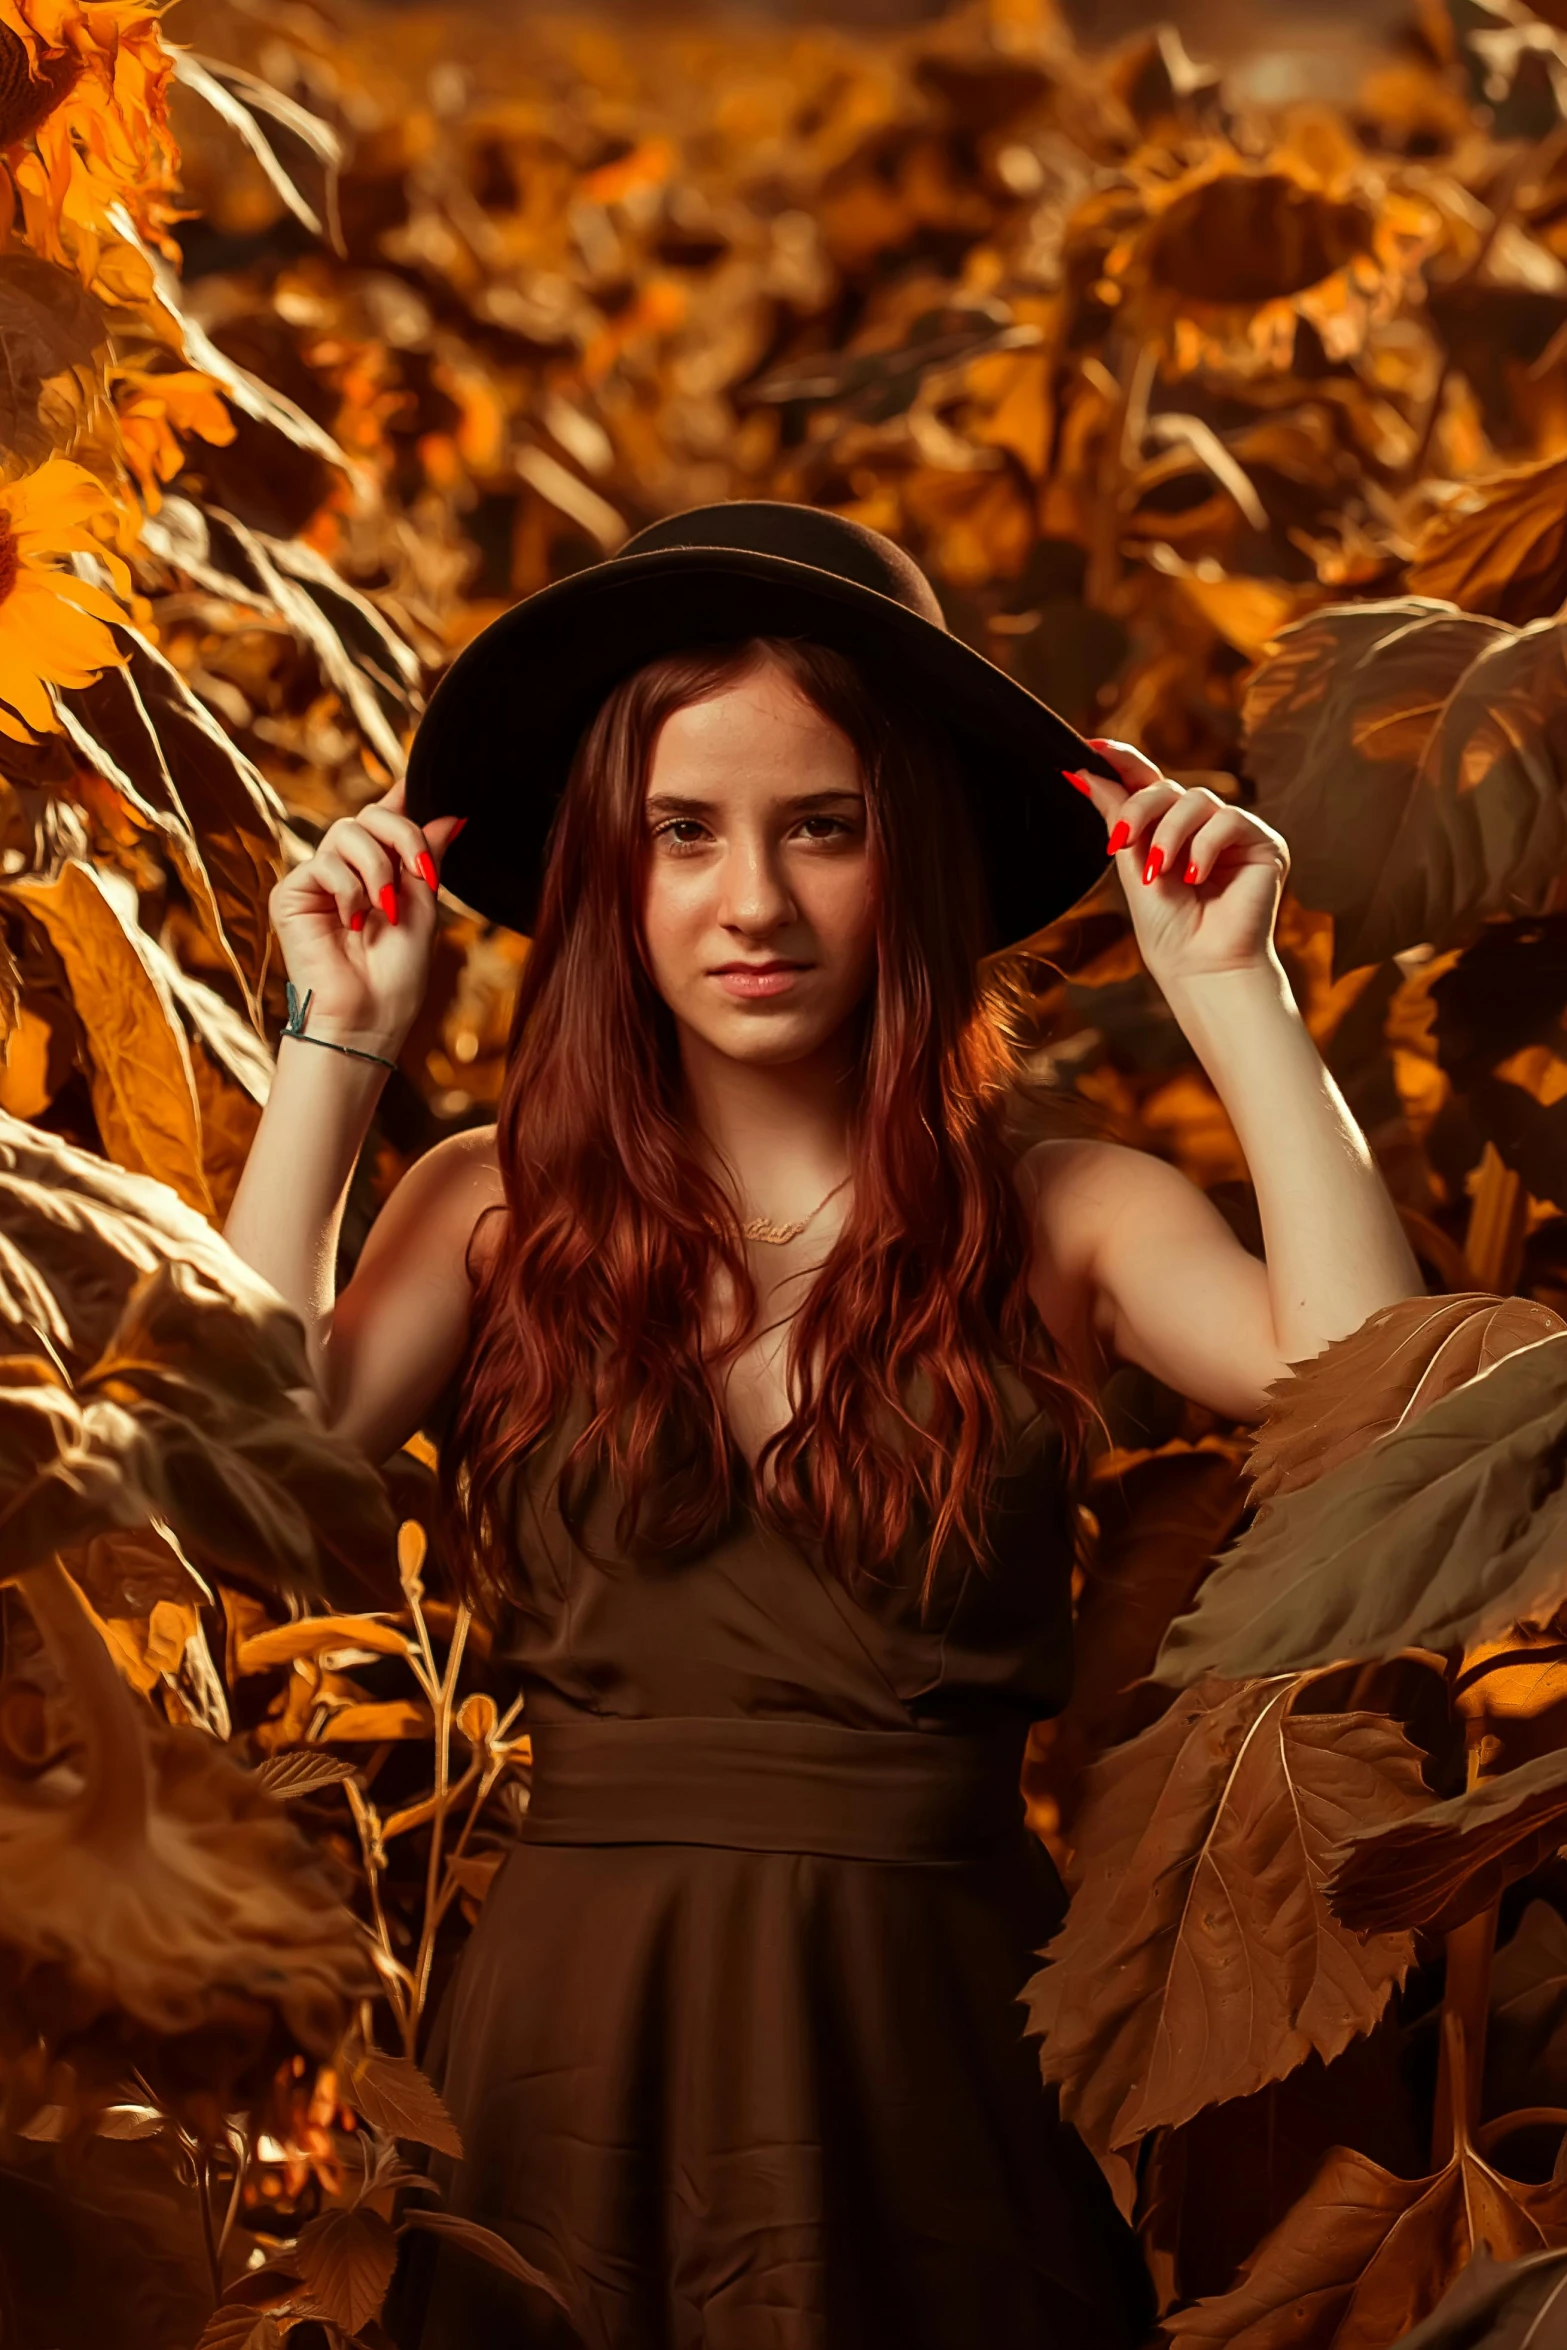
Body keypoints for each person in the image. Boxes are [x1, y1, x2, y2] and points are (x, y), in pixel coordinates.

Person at [222, 501, 1424, 2348]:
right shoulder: (486, 1205)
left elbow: (1378, 1400)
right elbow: (231, 1460)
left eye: (824, 829)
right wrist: (338, 1043)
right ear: (610, 870)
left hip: (929, 2045)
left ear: (912, 858)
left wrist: (1231, 994)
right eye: (683, 833)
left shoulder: (1064, 1212)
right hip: (570, 2044)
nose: (752, 903)